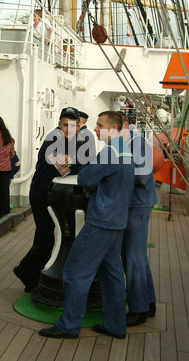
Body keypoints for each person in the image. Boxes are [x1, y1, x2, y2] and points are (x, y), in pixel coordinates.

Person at [39, 111, 135, 339]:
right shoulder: (127, 152)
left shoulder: (110, 152)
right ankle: (115, 325)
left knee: (75, 271)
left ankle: (69, 325)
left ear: (112, 128)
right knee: (112, 273)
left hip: (101, 221)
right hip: (118, 220)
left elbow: (85, 179)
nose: (95, 129)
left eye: (100, 125)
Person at [13, 107, 86, 293]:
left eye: (72, 125)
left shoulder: (73, 144)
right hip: (41, 194)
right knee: (45, 240)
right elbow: (66, 169)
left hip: (52, 194)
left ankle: (34, 277)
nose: (68, 128)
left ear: (78, 126)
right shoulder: (53, 141)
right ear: (59, 125)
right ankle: (26, 272)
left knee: (46, 238)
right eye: (64, 124)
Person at [118, 111, 158, 326]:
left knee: (133, 258)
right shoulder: (127, 142)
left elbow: (141, 176)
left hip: (138, 206)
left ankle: (138, 310)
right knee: (136, 257)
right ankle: (148, 302)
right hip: (133, 205)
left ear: (124, 124)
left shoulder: (137, 143)